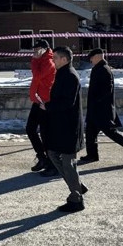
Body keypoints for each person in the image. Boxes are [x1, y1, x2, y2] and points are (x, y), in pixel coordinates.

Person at [79, 48, 123, 164]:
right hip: (96, 109)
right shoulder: (98, 69)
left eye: (91, 58)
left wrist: (97, 101)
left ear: (97, 57)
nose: (90, 60)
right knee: (90, 132)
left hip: (102, 110)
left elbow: (106, 90)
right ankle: (92, 155)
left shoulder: (104, 70)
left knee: (111, 133)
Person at [44, 46, 87, 213]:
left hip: (69, 128)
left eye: (55, 57)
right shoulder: (63, 74)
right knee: (53, 153)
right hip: (62, 126)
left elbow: (66, 103)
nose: (52, 60)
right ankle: (76, 185)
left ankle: (76, 199)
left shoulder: (70, 76)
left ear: (64, 59)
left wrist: (47, 106)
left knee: (68, 163)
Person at [26, 38, 55, 174]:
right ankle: (42, 157)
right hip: (38, 101)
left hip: (45, 101)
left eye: (37, 49)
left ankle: (51, 162)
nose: (35, 52)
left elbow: (37, 76)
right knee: (30, 129)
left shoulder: (49, 61)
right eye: (34, 50)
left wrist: (34, 60)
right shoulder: (41, 61)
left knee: (45, 133)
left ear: (44, 49)